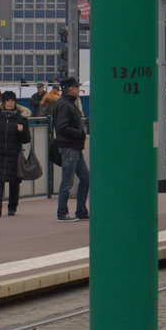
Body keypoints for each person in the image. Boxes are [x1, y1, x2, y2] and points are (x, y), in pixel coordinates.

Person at [0, 90, 31, 217]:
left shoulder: (21, 119)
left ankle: (12, 207)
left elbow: (27, 139)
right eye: (8, 101)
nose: (10, 103)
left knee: (14, 182)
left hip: (14, 154)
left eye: (12, 101)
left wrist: (22, 131)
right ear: (3, 103)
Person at [52, 76, 90, 222]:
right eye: (76, 87)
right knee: (68, 181)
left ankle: (80, 210)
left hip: (73, 146)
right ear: (70, 89)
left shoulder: (67, 103)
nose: (78, 89)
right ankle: (62, 213)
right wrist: (80, 133)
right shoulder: (65, 105)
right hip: (69, 147)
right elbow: (62, 127)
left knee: (85, 178)